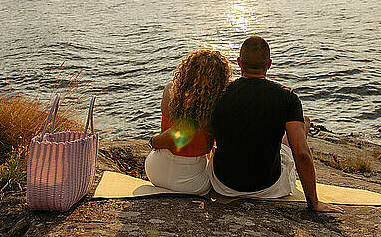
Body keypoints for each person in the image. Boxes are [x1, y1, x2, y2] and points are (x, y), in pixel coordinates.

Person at [208, 36, 343, 213]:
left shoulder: (218, 93)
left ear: (239, 62)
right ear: (269, 64)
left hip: (223, 185)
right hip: (268, 188)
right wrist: (314, 202)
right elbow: (301, 154)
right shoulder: (287, 98)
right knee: (304, 124)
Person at [145, 49, 231, 195]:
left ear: (187, 70)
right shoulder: (218, 105)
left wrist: (152, 142)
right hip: (191, 182)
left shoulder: (170, 90)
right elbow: (178, 136)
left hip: (155, 171)